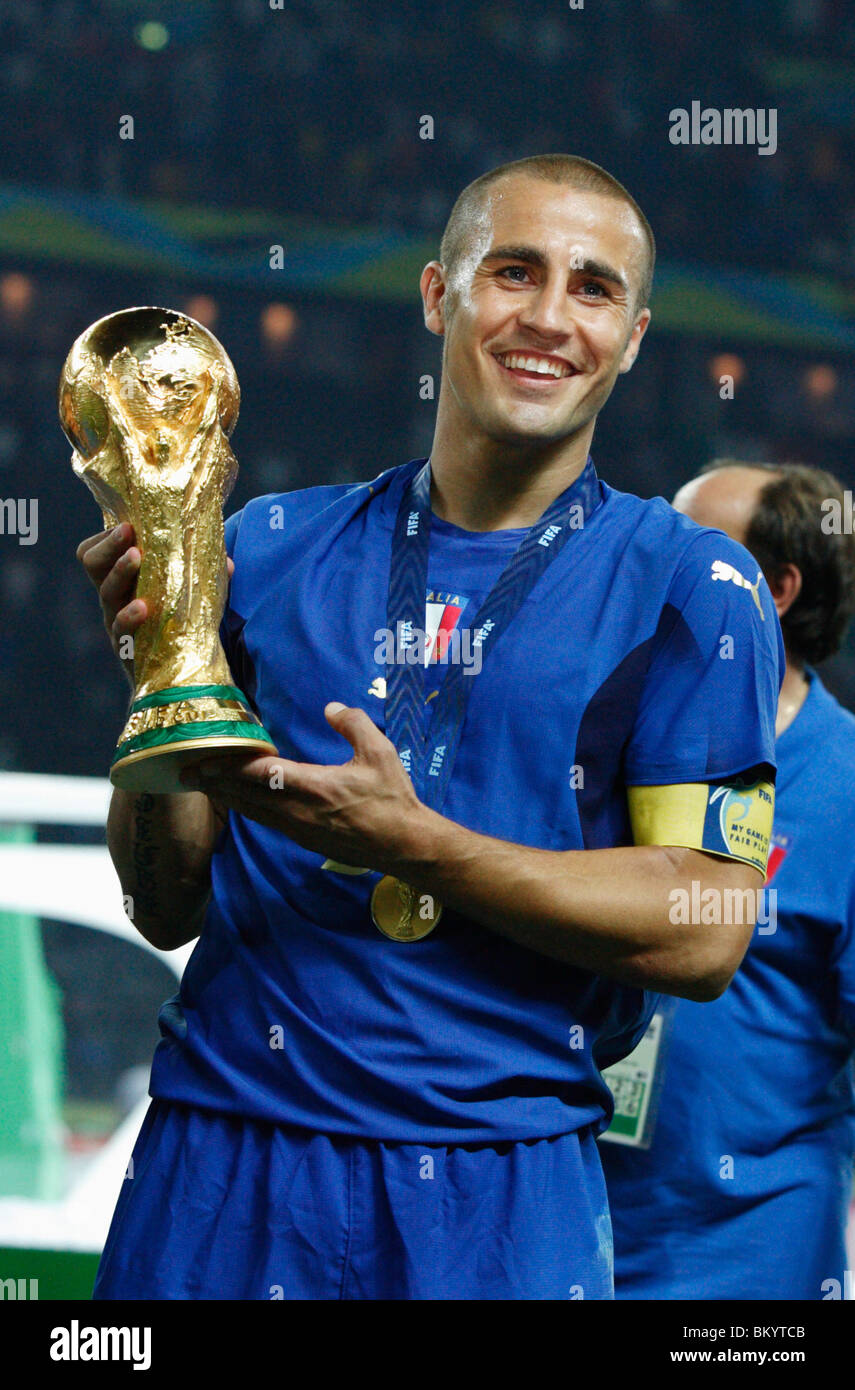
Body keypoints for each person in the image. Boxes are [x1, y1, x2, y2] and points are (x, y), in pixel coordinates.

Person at [78, 155, 783, 1301]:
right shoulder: (262, 548)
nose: (549, 316)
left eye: (593, 288)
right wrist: (158, 679)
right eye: (513, 271)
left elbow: (702, 930)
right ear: (437, 294)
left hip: (498, 1194)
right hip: (223, 1157)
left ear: (638, 334)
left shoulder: (694, 588)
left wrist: (417, 844)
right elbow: (165, 902)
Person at [601, 460, 855, 1301]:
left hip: (754, 1244)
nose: (656, 565)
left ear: (775, 590)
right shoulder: (602, 741)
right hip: (577, 1208)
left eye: (695, 548)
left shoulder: (846, 782)